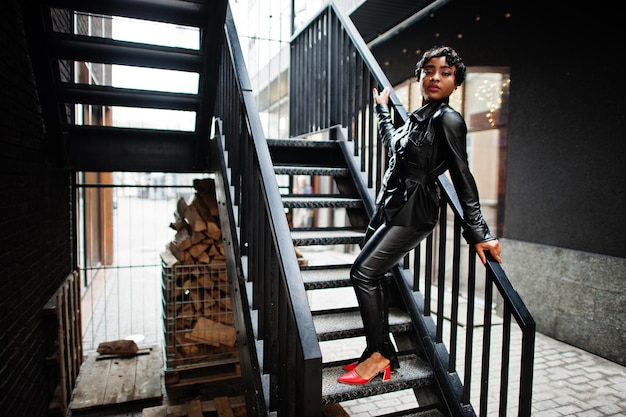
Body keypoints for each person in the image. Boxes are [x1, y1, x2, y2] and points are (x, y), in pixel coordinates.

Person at [337, 45, 502, 385]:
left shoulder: (448, 120)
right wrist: (383, 111)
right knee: (375, 276)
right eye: (429, 70)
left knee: (363, 274)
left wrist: (480, 232)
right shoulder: (418, 117)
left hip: (415, 212)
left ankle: (379, 354)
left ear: (456, 82)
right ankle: (379, 354)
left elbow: (463, 176)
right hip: (390, 205)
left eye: (445, 72)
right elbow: (394, 145)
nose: (435, 77)